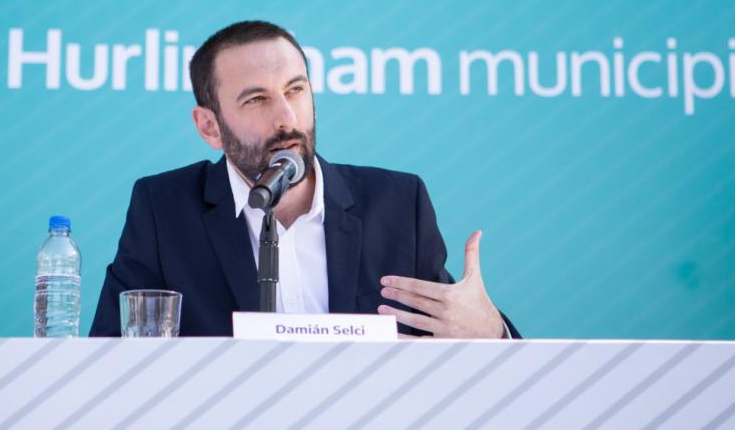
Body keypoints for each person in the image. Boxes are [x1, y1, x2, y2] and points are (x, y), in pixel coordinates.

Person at [90, 21, 519, 339]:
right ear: (209, 127)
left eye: (295, 90)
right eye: (256, 99)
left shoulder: (398, 204)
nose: (286, 118)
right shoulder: (163, 209)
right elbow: (109, 358)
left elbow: (460, 344)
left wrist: (492, 332)